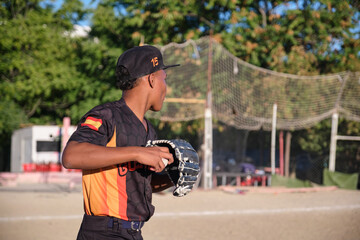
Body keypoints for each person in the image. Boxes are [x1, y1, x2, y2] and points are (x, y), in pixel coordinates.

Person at [62, 45, 180, 240]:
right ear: (151, 79)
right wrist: (136, 152)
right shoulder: (106, 115)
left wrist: (174, 176)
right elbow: (71, 156)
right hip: (103, 231)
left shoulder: (148, 129)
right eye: (164, 79)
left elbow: (140, 185)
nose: (166, 87)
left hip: (132, 232)